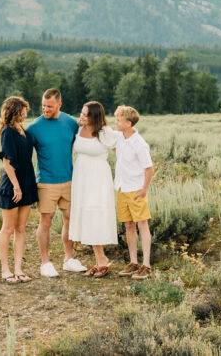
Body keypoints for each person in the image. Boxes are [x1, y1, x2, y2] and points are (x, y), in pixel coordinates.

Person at [26, 88, 84, 277]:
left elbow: (83, 143)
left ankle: (69, 259)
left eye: (49, 106)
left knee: (69, 219)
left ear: (59, 104)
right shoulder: (34, 128)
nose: (45, 109)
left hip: (69, 180)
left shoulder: (71, 123)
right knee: (46, 221)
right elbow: (25, 157)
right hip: (46, 182)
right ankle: (45, 263)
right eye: (43, 105)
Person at [69, 101, 118, 277]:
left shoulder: (105, 132)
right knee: (87, 216)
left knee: (96, 214)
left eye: (85, 115)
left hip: (98, 177)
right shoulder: (77, 129)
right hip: (82, 176)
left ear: (95, 117)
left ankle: (102, 259)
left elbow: (120, 151)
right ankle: (100, 260)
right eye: (81, 113)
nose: (81, 117)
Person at [0, 96, 38, 283]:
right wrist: (16, 186)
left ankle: (19, 269)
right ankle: (5, 270)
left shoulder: (24, 132)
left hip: (27, 183)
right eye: (23, 110)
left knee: (21, 228)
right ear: (15, 110)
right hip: (14, 185)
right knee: (8, 228)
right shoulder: (8, 132)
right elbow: (7, 161)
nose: (25, 113)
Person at [113, 105, 154, 280]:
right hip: (122, 188)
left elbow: (149, 168)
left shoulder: (140, 144)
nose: (116, 122)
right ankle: (133, 262)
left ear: (128, 123)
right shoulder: (119, 138)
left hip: (136, 190)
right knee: (128, 225)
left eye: (119, 120)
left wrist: (144, 190)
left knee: (142, 225)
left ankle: (146, 265)